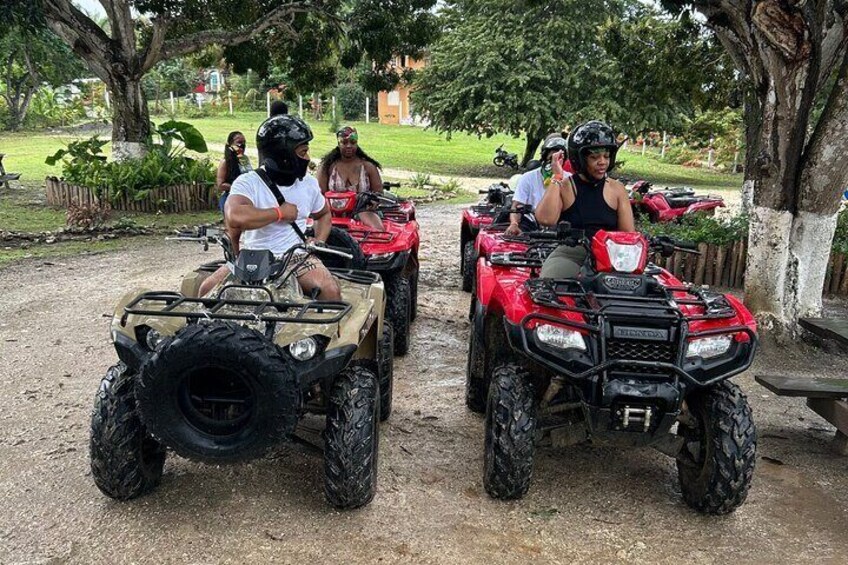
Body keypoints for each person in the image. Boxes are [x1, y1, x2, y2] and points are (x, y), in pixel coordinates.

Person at [198, 115, 341, 300]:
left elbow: (323, 214)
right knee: (205, 290)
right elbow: (235, 216)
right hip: (251, 257)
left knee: (329, 291)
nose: (307, 158)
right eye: (303, 152)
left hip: (295, 258)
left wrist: (318, 242)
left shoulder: (309, 184)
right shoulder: (248, 182)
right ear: (284, 155)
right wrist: (280, 213)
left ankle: (325, 330)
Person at [535, 120, 635, 279]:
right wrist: (557, 176)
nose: (602, 162)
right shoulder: (566, 186)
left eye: (606, 156)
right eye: (595, 157)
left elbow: (628, 235)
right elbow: (545, 219)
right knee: (549, 287)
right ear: (580, 159)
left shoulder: (617, 190)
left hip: (612, 258)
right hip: (572, 253)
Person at [317, 126, 385, 230]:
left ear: (357, 143)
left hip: (362, 210)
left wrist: (372, 201)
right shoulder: (327, 167)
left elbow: (378, 193)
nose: (349, 146)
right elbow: (319, 193)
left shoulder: (368, 166)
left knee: (378, 230)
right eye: (344, 142)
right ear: (338, 144)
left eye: (353, 142)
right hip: (332, 211)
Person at [505, 133, 571, 235]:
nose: (555, 163)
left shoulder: (570, 179)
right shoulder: (527, 178)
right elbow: (517, 206)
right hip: (531, 225)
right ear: (544, 156)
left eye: (559, 159)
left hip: (559, 227)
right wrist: (514, 224)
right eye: (552, 158)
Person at [216, 131, 253, 214]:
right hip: (230, 198)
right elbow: (220, 185)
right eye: (239, 142)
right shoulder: (225, 162)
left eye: (244, 142)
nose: (242, 145)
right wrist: (238, 187)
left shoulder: (245, 159)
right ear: (230, 144)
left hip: (247, 198)